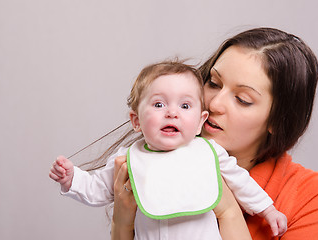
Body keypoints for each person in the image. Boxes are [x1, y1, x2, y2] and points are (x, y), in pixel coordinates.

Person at [110, 27, 318, 240]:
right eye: (214, 82)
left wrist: (228, 210)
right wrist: (121, 226)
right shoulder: (151, 158)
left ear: (278, 120)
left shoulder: (311, 196)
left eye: (242, 99)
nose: (215, 104)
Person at [49, 60, 287, 239]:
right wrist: (72, 179)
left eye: (185, 105)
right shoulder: (127, 159)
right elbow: (97, 189)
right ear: (136, 121)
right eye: (159, 104)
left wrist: (268, 210)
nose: (172, 112)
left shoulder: (209, 153)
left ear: (200, 121)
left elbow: (240, 182)